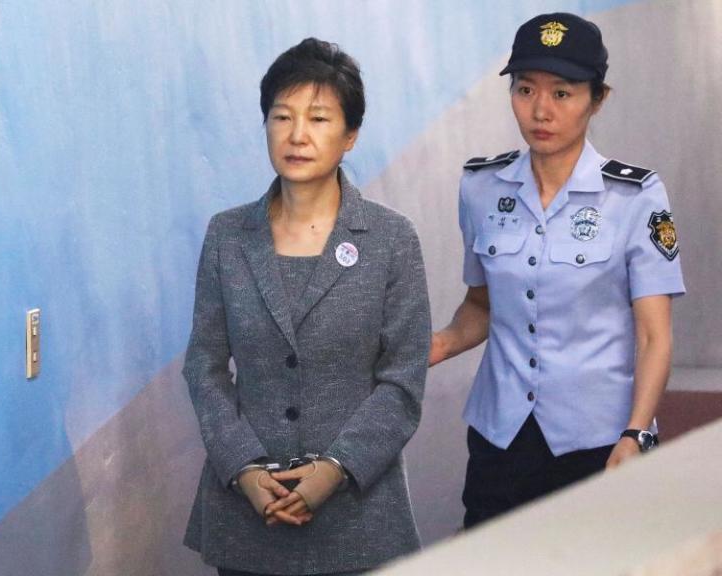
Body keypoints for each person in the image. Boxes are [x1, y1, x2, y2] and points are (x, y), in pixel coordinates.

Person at [182, 38, 430, 575]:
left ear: (350, 136)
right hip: (251, 514)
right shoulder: (228, 235)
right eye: (282, 116)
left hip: (360, 519)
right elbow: (204, 366)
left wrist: (337, 467)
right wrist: (243, 467)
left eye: (318, 118)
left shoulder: (390, 239)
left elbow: (403, 379)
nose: (297, 135)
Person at [429, 13, 686, 529]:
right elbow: (481, 306)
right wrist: (430, 347)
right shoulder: (481, 188)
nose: (540, 110)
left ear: (598, 98)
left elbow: (654, 337)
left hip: (598, 441)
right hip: (499, 438)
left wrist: (636, 435)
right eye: (525, 90)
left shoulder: (635, 196)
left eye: (562, 93)